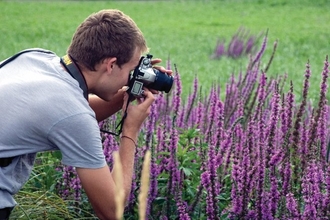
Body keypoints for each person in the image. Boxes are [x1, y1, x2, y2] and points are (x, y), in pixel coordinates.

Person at [0, 9, 172, 220]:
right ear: (110, 65)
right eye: (132, 70)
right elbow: (111, 210)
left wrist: (127, 94)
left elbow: (68, 111)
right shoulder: (72, 113)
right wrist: (130, 130)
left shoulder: (36, 58)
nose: (131, 77)